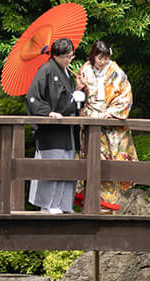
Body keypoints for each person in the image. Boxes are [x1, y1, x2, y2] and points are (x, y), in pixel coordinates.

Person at [25, 37, 85, 212]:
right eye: (66, 57)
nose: (69, 60)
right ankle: (49, 204)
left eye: (70, 56)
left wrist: (78, 90)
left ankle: (64, 204)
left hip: (66, 129)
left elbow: (66, 99)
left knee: (68, 165)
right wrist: (46, 112)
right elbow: (32, 96)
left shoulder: (65, 72)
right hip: (51, 129)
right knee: (53, 165)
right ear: (56, 56)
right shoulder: (46, 70)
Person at [75, 39, 136, 211]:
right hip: (89, 118)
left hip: (109, 122)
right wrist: (79, 89)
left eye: (106, 58)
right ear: (93, 56)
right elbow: (78, 99)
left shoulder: (116, 71)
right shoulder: (84, 70)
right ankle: (89, 198)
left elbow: (126, 95)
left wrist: (112, 112)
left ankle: (107, 202)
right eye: (100, 57)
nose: (103, 61)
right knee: (89, 158)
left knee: (109, 160)